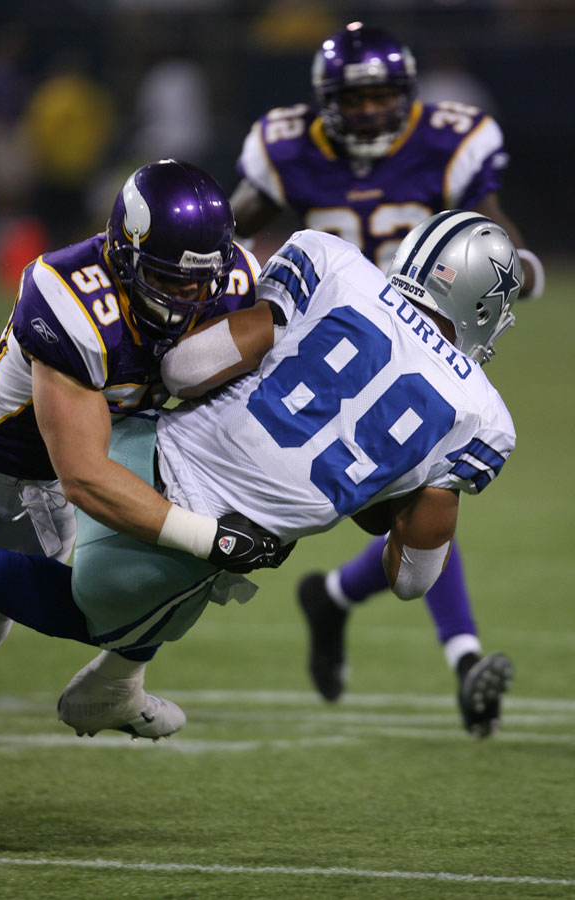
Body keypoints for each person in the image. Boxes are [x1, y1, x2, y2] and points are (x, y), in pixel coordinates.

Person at [0, 212, 520, 739]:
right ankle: (111, 683)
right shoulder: (482, 416)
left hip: (135, 444)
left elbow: (185, 370)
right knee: (119, 606)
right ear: (485, 307)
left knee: (186, 581)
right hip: (185, 537)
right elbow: (411, 579)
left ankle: (117, 686)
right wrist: (383, 481)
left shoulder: (334, 261)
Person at [230, 21, 544, 736]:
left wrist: (510, 273)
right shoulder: (288, 147)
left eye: (382, 97)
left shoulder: (449, 142)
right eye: (355, 98)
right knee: (412, 485)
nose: (370, 111)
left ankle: (419, 638)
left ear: (407, 96)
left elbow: (499, 235)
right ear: (326, 101)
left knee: (427, 484)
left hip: (417, 347)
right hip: (325, 347)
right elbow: (229, 229)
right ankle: (359, 609)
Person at [0, 158, 288, 741]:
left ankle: (117, 685)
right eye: (170, 280)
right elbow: (85, 477)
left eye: (202, 280)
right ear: (125, 255)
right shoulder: (70, 296)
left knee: (105, 601)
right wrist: (211, 536)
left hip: (61, 481)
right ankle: (116, 686)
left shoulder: (236, 283)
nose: (190, 296)